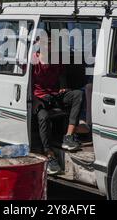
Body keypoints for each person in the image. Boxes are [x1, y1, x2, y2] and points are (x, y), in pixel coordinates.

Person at [33, 35, 84, 175]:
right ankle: (49, 155)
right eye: (43, 43)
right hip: (39, 98)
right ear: (37, 44)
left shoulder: (56, 59)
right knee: (43, 117)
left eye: (50, 43)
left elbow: (61, 76)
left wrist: (63, 87)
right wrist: (36, 101)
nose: (47, 46)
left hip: (55, 95)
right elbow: (26, 82)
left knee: (78, 94)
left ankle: (68, 136)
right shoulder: (33, 60)